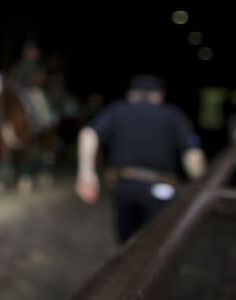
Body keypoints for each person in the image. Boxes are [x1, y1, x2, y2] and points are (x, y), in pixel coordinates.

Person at [76, 74, 207, 244]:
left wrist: (86, 173)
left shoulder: (118, 110)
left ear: (131, 95)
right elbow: (193, 155)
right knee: (156, 243)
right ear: (160, 96)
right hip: (161, 187)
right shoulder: (174, 115)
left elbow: (88, 134)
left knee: (127, 244)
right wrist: (201, 187)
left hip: (124, 186)